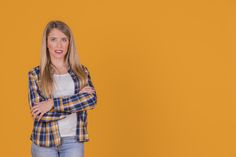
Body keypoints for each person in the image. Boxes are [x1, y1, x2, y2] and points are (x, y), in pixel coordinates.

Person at [27, 20, 97, 157]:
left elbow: (91, 101)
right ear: (46, 43)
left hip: (73, 141)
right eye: (53, 39)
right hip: (44, 141)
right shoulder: (35, 74)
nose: (59, 45)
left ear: (69, 43)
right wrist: (76, 102)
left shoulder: (81, 72)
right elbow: (40, 113)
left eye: (63, 40)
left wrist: (52, 103)